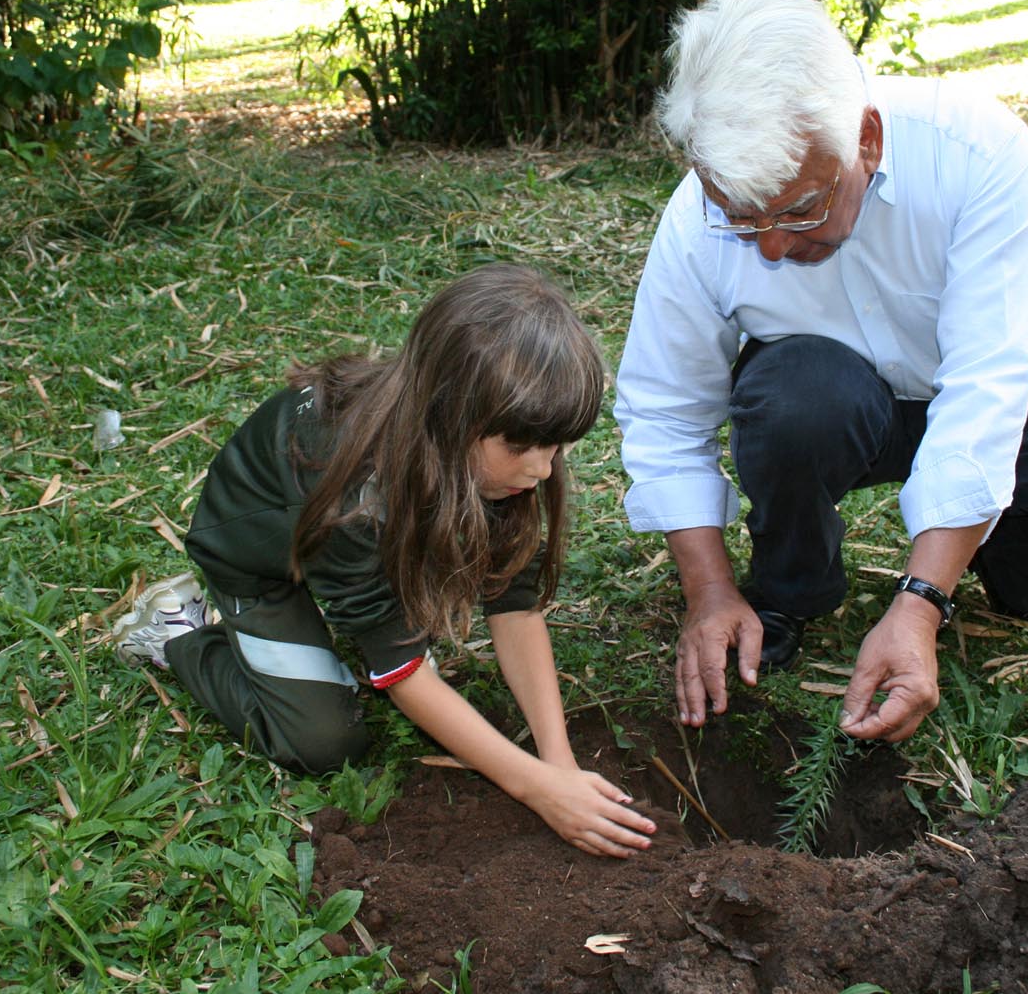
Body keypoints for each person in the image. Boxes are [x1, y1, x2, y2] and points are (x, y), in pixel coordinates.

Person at [614, 0, 1028, 746]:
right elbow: (663, 413)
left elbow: (987, 388)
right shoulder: (698, 221)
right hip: (824, 402)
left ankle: (1004, 572)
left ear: (867, 138)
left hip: (955, 376)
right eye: (742, 220)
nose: (775, 245)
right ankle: (787, 590)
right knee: (795, 400)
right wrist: (708, 590)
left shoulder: (977, 150)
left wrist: (921, 600)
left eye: (800, 208)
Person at [114, 263, 657, 859]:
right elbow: (402, 674)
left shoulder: (495, 451)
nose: (543, 470)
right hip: (261, 567)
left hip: (371, 535)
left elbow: (516, 607)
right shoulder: (350, 496)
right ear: (449, 416)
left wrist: (560, 765)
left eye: (557, 446)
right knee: (323, 740)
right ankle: (177, 632)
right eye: (524, 448)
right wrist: (535, 789)